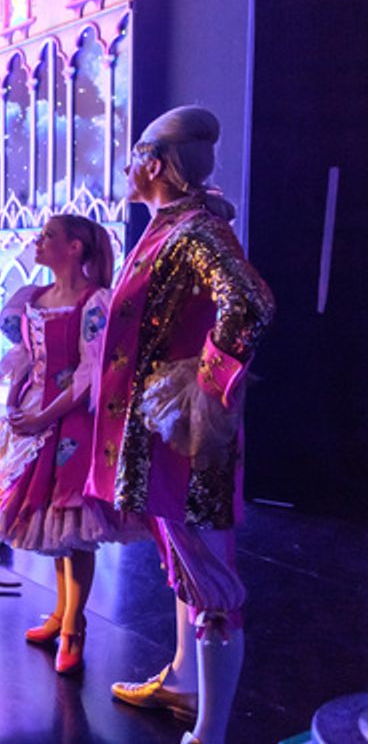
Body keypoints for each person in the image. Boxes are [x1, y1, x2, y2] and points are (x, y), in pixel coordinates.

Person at [88, 106, 274, 744]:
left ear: (156, 164)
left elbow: (248, 302)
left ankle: (211, 733)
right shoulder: (169, 227)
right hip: (163, 438)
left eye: (134, 154)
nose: (126, 167)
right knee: (185, 562)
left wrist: (206, 388)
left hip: (189, 443)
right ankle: (184, 684)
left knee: (212, 580)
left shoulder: (195, 231)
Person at [0, 213, 145, 674]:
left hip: (72, 423)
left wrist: (46, 412)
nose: (38, 242)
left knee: (73, 528)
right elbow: (26, 356)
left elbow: (91, 371)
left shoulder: (93, 302)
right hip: (35, 418)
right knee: (53, 528)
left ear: (75, 247)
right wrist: (18, 403)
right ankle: (61, 613)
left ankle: (74, 627)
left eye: (48, 237)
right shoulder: (33, 299)